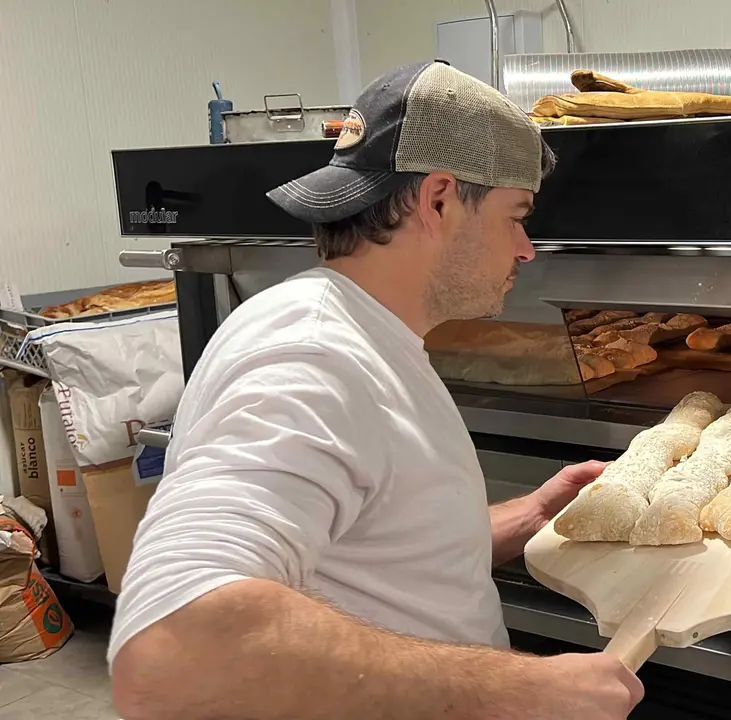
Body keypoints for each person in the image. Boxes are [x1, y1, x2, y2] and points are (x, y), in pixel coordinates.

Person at [108, 61, 643, 720]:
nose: (525, 248)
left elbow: (376, 554)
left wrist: (531, 515)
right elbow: (171, 653)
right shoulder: (314, 357)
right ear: (440, 199)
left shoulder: (363, 336)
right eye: (515, 215)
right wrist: (518, 688)